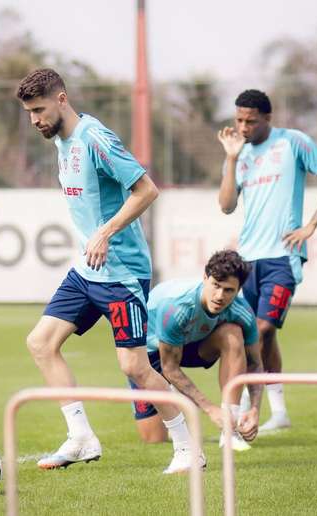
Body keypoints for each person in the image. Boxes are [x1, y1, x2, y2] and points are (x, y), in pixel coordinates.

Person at [17, 68, 203, 474]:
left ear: (62, 99)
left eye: (39, 110)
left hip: (121, 272)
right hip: (88, 270)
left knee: (135, 367)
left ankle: (190, 448)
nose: (34, 120)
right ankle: (81, 437)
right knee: (41, 343)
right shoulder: (60, 140)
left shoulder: (96, 139)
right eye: (29, 112)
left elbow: (146, 190)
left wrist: (104, 232)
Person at [217, 89, 317, 432]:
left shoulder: (293, 142)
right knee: (258, 336)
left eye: (251, 121)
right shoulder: (239, 154)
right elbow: (227, 205)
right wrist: (230, 159)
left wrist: (312, 224)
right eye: (239, 120)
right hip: (246, 262)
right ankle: (279, 413)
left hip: (283, 257)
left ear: (267, 119)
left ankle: (246, 406)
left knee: (261, 330)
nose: (243, 127)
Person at [129, 250, 263, 451]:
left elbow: (255, 364)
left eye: (228, 290)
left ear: (238, 290)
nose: (219, 296)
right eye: (216, 285)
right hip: (151, 353)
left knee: (233, 334)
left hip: (194, 343)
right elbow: (170, 369)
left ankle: (230, 429)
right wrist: (210, 409)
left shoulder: (241, 310)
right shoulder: (177, 307)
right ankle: (173, 392)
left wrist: (254, 409)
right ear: (205, 278)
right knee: (153, 437)